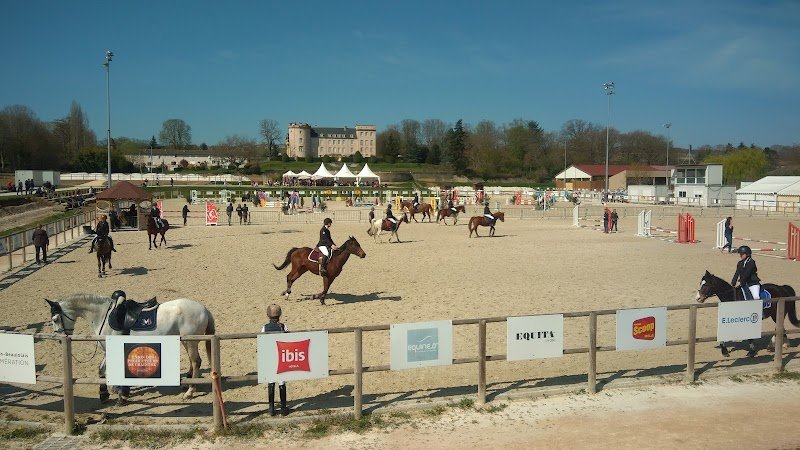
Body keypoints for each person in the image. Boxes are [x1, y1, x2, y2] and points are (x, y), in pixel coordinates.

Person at [262, 304, 289, 416]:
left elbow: (262, 342)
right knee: (282, 381)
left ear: (268, 315)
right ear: (280, 315)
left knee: (271, 381)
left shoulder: (264, 327)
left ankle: (271, 408)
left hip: (270, 357)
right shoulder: (283, 326)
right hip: (281, 357)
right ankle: (283, 407)